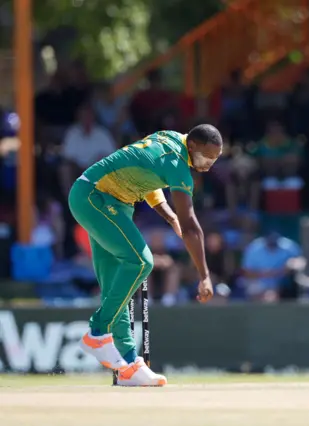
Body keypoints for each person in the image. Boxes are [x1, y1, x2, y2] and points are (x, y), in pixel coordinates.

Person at [68, 124, 223, 386]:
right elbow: (192, 228)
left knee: (115, 286)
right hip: (96, 197)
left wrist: (169, 216)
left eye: (215, 159)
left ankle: (128, 366)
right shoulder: (178, 166)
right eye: (206, 157)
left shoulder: (170, 138)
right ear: (193, 146)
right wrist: (204, 275)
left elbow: (146, 177)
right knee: (141, 262)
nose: (209, 165)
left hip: (108, 201)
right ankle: (97, 332)